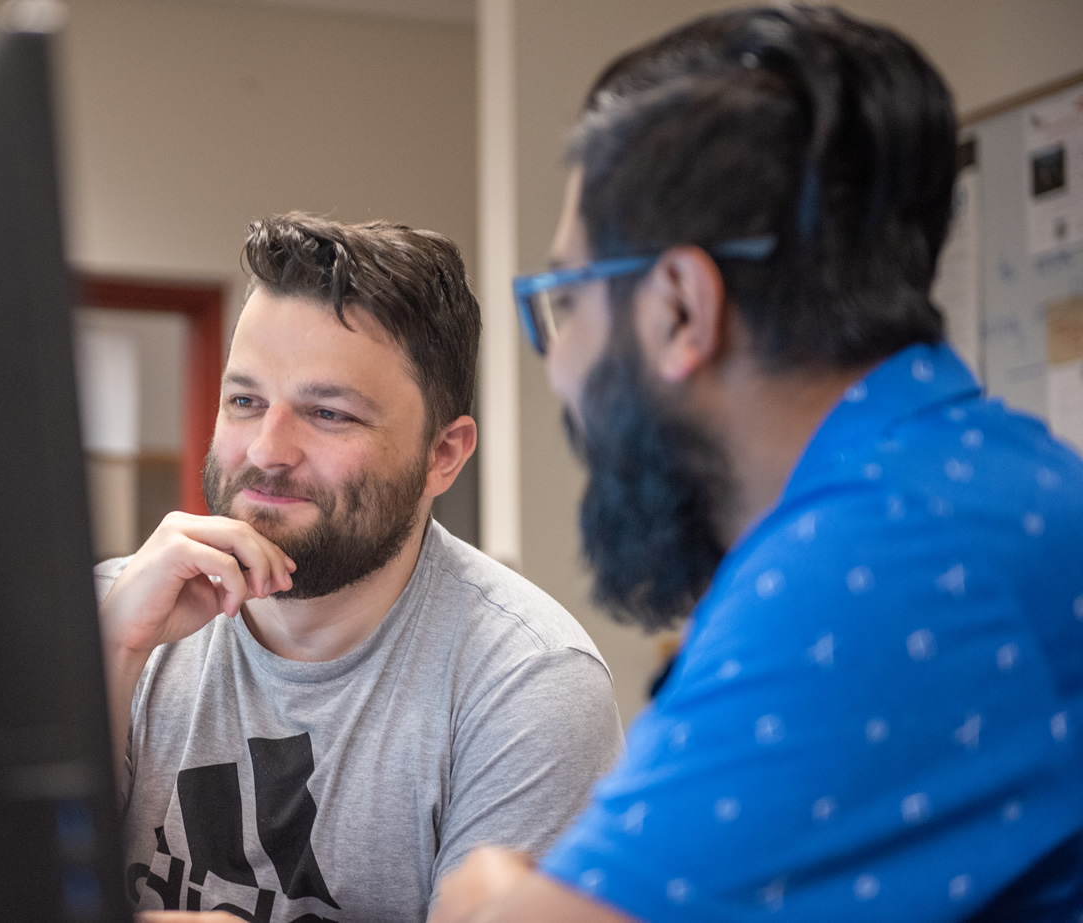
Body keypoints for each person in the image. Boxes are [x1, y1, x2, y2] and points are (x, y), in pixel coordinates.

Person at [432, 6, 1083, 922]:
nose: (560, 365)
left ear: (680, 309)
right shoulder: (981, 477)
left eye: (567, 300)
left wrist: (485, 892)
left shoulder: (872, 561)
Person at [96, 212, 625, 921]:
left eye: (329, 413)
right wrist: (111, 653)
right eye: (245, 401)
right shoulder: (113, 615)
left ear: (443, 455)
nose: (267, 450)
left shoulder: (527, 680)